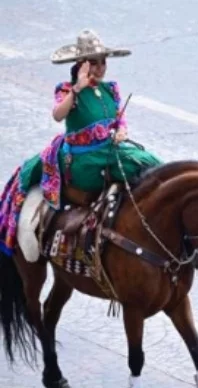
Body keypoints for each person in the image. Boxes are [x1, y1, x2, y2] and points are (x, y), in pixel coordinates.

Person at [0, 31, 162, 256]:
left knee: (153, 162)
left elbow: (119, 119)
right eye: (93, 63)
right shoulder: (67, 89)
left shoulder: (110, 89)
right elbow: (58, 115)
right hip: (83, 159)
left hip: (110, 150)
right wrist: (78, 87)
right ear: (81, 64)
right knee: (132, 169)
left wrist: (121, 131)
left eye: (102, 63)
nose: (100, 68)